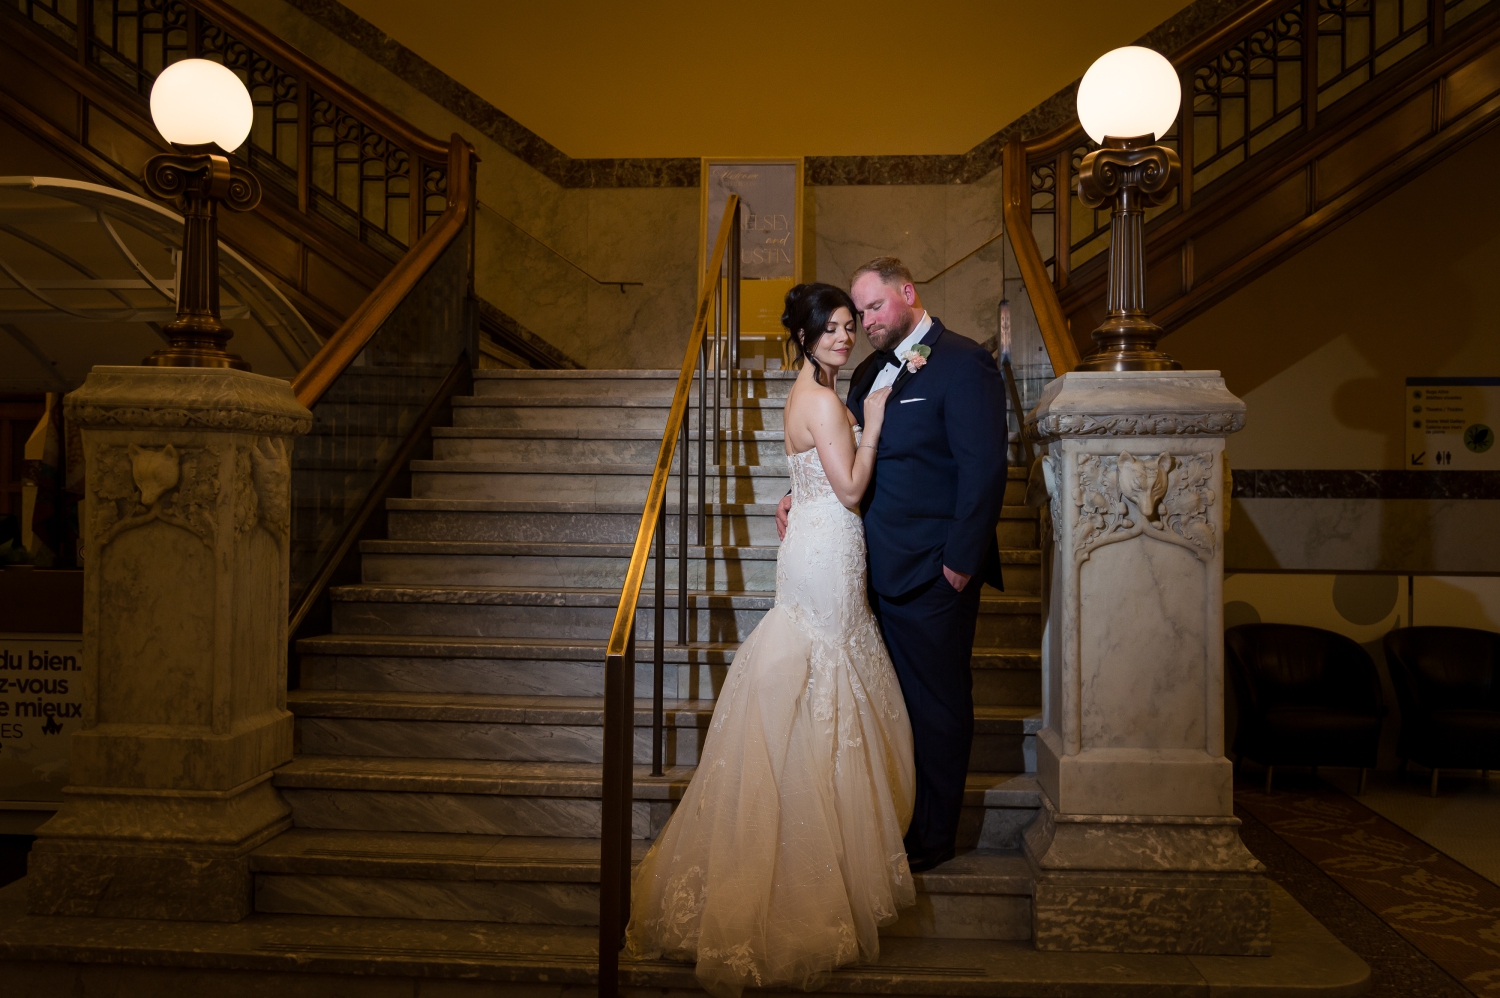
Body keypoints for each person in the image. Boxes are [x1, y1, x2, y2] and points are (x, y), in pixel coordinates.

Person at [625, 283, 916, 997]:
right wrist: (874, 420)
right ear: (805, 336)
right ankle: (808, 868)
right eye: (832, 330)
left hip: (816, 544)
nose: (845, 339)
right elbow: (848, 489)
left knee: (825, 668)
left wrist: (805, 493)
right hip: (827, 546)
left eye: (851, 327)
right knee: (823, 675)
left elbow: (814, 481)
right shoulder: (823, 399)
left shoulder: (803, 392)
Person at [777, 257, 1008, 873]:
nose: (864, 325)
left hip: (934, 573)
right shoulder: (869, 372)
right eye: (855, 314)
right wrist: (801, 493)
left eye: (872, 309)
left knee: (938, 706)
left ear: (908, 293)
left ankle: (933, 838)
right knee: (890, 708)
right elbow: (844, 456)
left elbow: (984, 469)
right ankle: (894, 820)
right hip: (864, 570)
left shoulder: (963, 362)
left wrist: (960, 563)